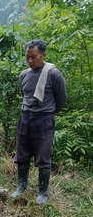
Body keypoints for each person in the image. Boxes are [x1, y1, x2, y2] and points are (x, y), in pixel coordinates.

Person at [11, 39, 67, 204]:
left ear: (43, 55)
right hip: (25, 118)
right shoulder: (24, 74)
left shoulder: (53, 74)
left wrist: (49, 114)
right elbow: (25, 95)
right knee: (22, 154)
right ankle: (21, 187)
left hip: (44, 120)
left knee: (43, 156)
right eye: (27, 57)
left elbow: (61, 99)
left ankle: (43, 192)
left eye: (33, 57)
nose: (30, 60)